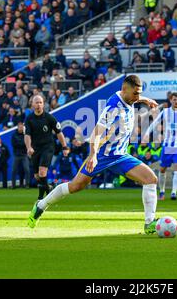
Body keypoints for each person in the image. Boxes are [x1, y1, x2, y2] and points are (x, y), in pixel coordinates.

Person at [29, 75, 160, 234]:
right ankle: (41, 205)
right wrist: (93, 156)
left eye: (139, 93)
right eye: (136, 94)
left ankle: (149, 223)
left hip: (120, 155)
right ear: (125, 90)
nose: (137, 97)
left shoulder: (129, 97)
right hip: (103, 156)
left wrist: (144, 100)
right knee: (75, 186)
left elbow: (134, 97)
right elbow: (96, 133)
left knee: (151, 179)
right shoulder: (113, 108)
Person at [24, 95, 69, 200]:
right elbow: (27, 135)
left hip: (47, 147)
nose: (38, 105)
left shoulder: (49, 118)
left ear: (43, 104)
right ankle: (49, 188)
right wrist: (29, 147)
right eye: (36, 102)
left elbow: (59, 133)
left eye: (40, 102)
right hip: (35, 149)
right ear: (32, 105)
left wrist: (65, 147)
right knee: (37, 176)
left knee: (42, 172)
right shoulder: (29, 119)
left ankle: (42, 197)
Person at [11, 122, 30, 189]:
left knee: (27, 170)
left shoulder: (26, 134)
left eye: (22, 127)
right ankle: (13, 185)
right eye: (19, 127)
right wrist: (23, 143)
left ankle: (27, 185)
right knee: (14, 170)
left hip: (24, 155)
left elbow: (27, 143)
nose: (21, 128)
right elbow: (14, 144)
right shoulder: (14, 135)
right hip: (16, 155)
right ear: (17, 127)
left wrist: (21, 143)